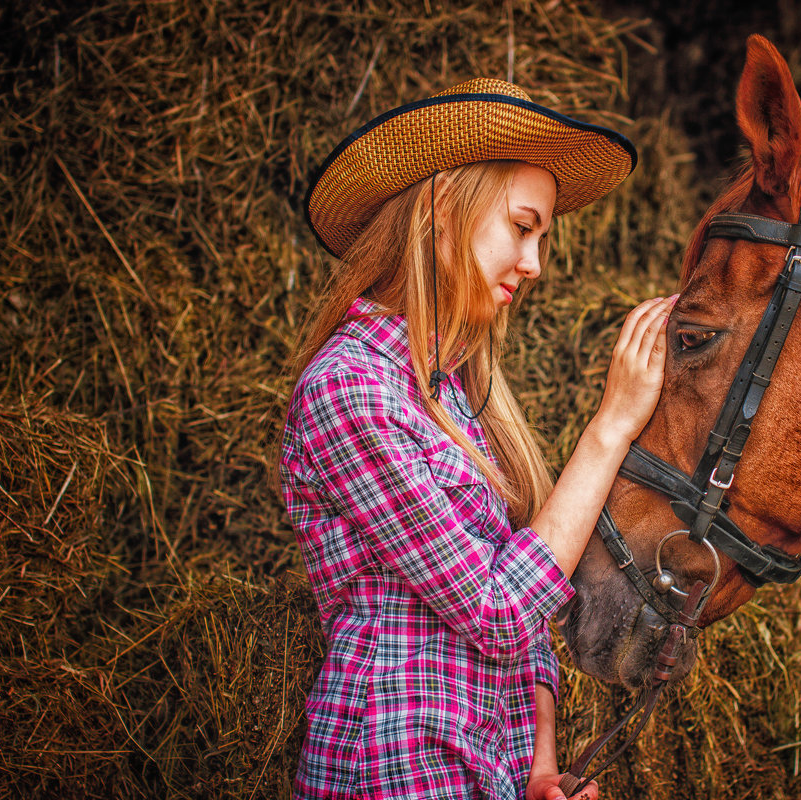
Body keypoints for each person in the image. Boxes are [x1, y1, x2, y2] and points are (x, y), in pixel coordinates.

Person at [279, 78, 673, 800]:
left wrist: (540, 769)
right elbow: (498, 612)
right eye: (523, 227)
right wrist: (612, 424)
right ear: (438, 209)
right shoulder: (350, 388)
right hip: (393, 763)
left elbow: (529, 615)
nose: (536, 265)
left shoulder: (458, 401)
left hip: (484, 770)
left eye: (543, 237)